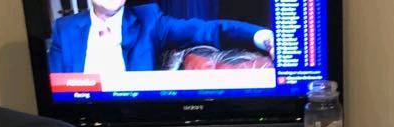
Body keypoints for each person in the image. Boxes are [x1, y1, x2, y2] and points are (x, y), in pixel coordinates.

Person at [49, 0, 274, 75]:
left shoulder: (150, 21)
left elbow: (210, 29)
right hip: (79, 126)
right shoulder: (65, 28)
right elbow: (56, 89)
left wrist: (264, 37)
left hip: (130, 125)